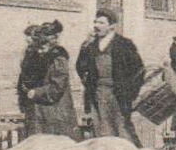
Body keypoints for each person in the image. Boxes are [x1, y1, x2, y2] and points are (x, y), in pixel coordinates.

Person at [77, 8, 145, 142]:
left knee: (123, 132)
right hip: (97, 95)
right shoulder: (91, 45)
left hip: (118, 96)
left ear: (112, 26)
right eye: (95, 22)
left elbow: (139, 71)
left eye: (101, 23)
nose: (96, 26)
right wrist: (84, 48)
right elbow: (80, 68)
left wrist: (130, 93)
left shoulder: (124, 44)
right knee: (101, 132)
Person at [18, 20, 79, 137]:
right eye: (38, 47)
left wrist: (36, 92)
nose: (40, 50)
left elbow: (57, 87)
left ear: (51, 43)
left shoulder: (58, 59)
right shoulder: (38, 57)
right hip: (39, 111)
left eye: (43, 47)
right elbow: (28, 79)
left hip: (55, 112)